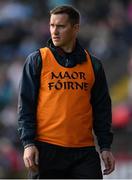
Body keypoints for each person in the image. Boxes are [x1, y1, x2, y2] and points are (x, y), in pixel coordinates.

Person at [18, 5, 115, 179]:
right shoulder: (37, 60)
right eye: (51, 25)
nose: (54, 31)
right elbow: (25, 107)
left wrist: (105, 147)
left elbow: (102, 111)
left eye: (61, 26)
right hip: (46, 150)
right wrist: (28, 144)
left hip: (84, 153)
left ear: (76, 28)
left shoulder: (94, 65)